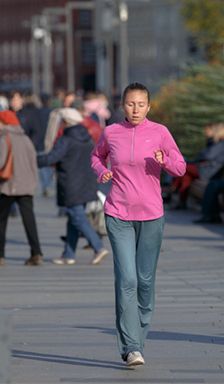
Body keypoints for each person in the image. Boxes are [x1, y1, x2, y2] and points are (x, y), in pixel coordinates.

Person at [91, 83, 186, 367]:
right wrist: (102, 171)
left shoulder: (160, 133)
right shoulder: (111, 132)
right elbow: (96, 156)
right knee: (127, 280)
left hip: (152, 215)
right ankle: (131, 346)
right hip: (118, 213)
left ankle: (138, 338)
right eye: (131, 104)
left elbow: (180, 167)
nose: (135, 109)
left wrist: (164, 159)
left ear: (149, 106)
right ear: (123, 105)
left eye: (141, 104)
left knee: (145, 282)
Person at [38, 108, 110, 265]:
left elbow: (51, 158)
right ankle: (68, 254)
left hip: (72, 184)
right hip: (87, 182)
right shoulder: (88, 138)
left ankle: (98, 247)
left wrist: (33, 160)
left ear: (65, 122)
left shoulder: (66, 139)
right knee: (73, 218)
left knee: (77, 217)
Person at [0, 110, 44, 266]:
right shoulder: (26, 138)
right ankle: (36, 253)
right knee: (29, 219)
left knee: (1, 219)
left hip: (9, 185)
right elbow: (33, 162)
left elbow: (0, 163)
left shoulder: (4, 138)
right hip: (26, 184)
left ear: (3, 123)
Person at [171, 122, 224, 210]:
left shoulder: (221, 144)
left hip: (209, 171)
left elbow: (208, 155)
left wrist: (201, 159)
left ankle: (173, 187)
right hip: (207, 169)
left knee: (183, 166)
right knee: (186, 176)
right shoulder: (220, 144)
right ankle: (181, 202)